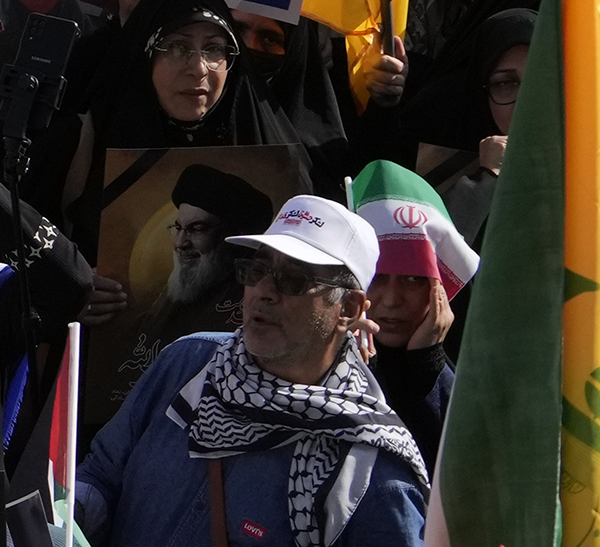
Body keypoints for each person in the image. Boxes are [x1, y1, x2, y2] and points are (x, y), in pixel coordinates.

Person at [75, 196, 428, 547]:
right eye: (256, 270)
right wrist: (66, 515)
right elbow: (100, 476)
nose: (263, 291)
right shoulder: (188, 363)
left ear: (348, 309)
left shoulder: (369, 473)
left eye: (293, 279)